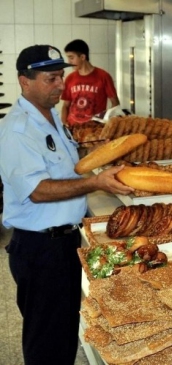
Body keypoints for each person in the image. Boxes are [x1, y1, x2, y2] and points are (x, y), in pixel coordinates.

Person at [0, 44, 134, 365]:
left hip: (64, 243)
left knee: (62, 333)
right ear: (25, 81)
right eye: (51, 79)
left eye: (61, 76)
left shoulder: (51, 119)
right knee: (46, 339)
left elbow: (67, 168)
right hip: (39, 249)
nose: (61, 85)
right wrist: (96, 182)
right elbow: (37, 190)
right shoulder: (19, 129)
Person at [61, 39, 120, 127]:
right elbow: (65, 106)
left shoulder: (103, 76)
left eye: (71, 57)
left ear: (82, 57)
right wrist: (63, 125)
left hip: (94, 129)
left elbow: (115, 104)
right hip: (72, 128)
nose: (69, 62)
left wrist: (105, 122)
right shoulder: (70, 78)